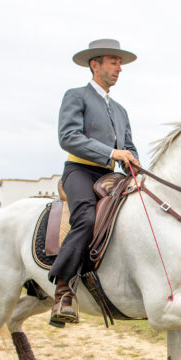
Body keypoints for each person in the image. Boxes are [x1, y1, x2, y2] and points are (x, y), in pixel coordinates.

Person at [48, 39, 140, 327]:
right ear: (95, 64)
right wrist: (112, 153)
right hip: (80, 171)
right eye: (113, 62)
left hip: (111, 177)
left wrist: (133, 163)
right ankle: (63, 291)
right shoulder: (76, 96)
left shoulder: (122, 110)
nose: (119, 69)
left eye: (120, 64)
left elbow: (129, 146)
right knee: (86, 219)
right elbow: (69, 137)